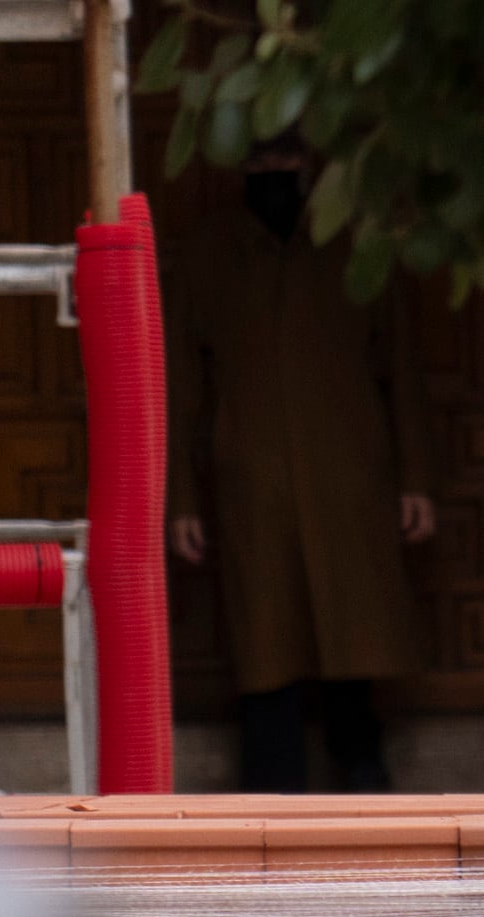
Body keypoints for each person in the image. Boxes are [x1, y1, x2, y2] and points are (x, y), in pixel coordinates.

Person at [165, 137, 437, 793]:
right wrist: (180, 500)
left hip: (350, 472)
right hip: (250, 481)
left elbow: (399, 369)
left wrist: (416, 480)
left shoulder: (353, 243)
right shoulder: (207, 253)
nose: (270, 174)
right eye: (255, 162)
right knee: (265, 642)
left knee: (356, 627)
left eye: (283, 161)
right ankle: (270, 784)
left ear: (309, 165)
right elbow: (180, 390)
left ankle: (362, 767)